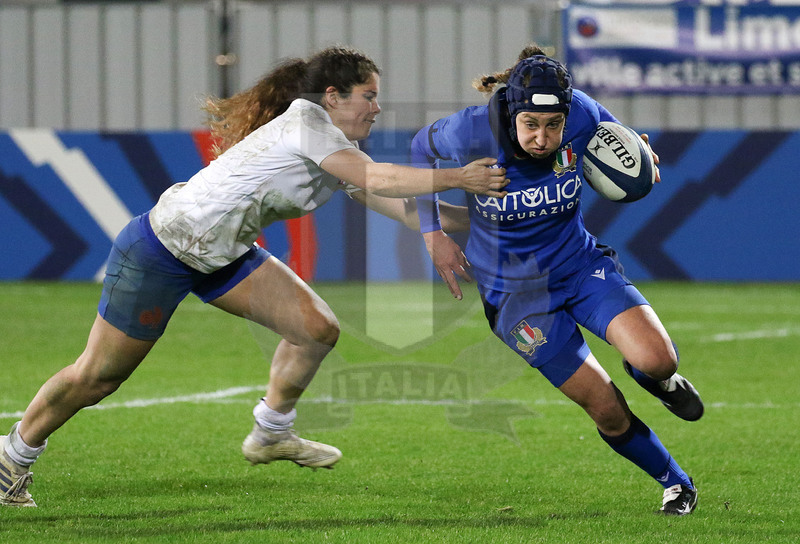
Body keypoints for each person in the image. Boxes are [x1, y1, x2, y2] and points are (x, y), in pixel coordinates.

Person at [0, 45, 508, 507]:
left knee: (315, 329)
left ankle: (271, 432)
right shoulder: (308, 124)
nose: (377, 108)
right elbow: (379, 178)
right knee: (97, 377)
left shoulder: (333, 144)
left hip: (220, 254)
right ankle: (13, 457)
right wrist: (460, 177)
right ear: (332, 96)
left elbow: (401, 206)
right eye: (369, 96)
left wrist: (490, 216)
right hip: (163, 248)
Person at [409, 44, 704, 516]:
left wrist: (639, 153)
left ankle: (654, 377)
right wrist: (433, 235)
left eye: (553, 125)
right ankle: (676, 484)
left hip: (579, 266)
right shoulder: (469, 130)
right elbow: (419, 150)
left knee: (659, 360)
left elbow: (617, 137)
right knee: (605, 408)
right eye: (530, 124)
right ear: (512, 112)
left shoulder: (582, 109)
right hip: (514, 296)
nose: (542, 138)